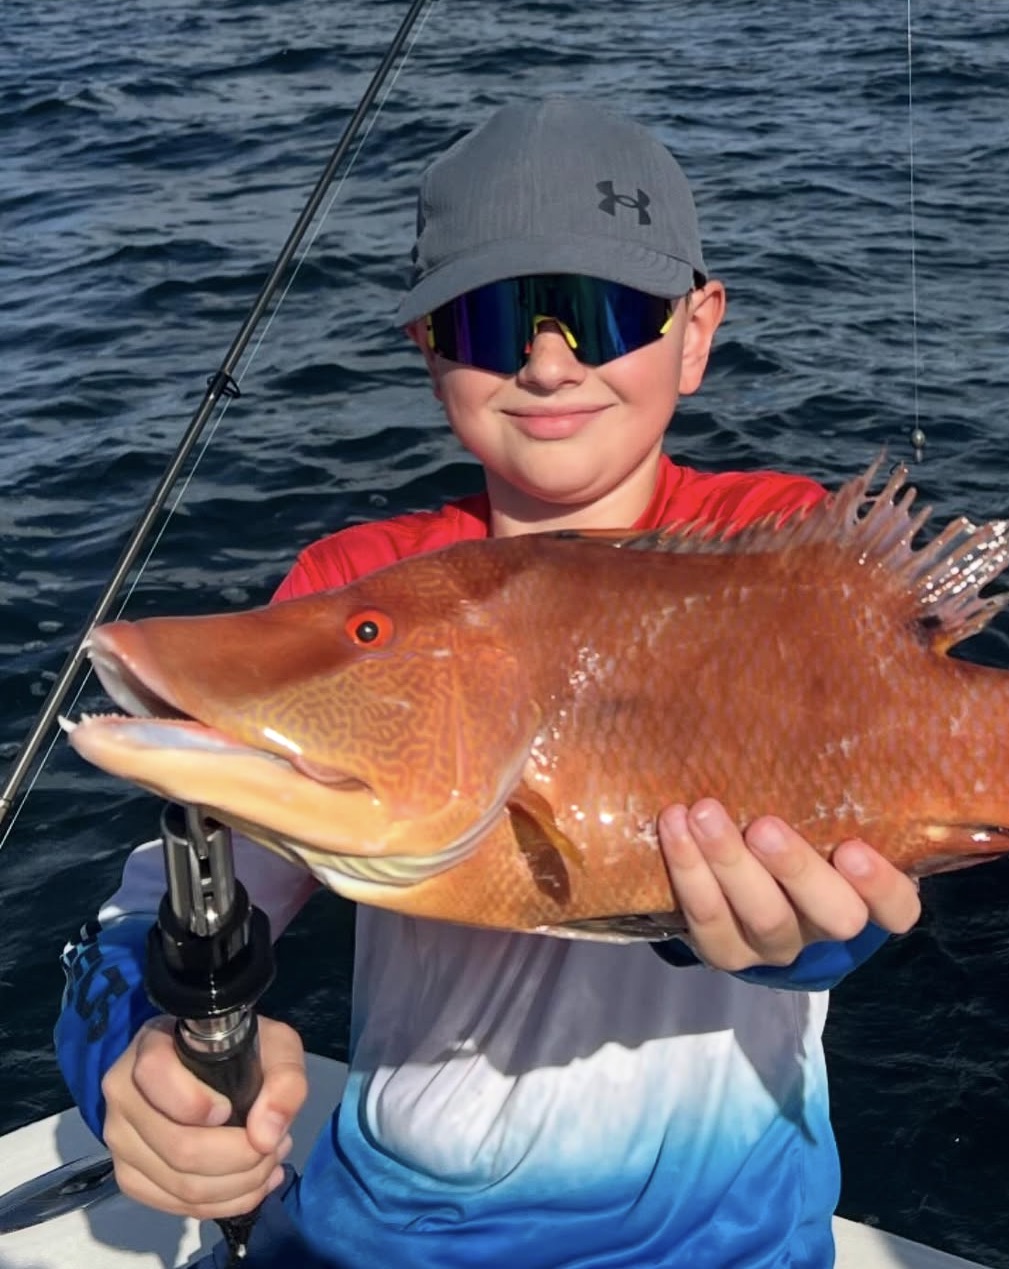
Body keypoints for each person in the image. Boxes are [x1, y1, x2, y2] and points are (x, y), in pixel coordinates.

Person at [55, 98, 922, 1268]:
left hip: (736, 1244)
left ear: (697, 328)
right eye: (493, 316)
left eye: (606, 311)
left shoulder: (784, 552)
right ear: (431, 350)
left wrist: (812, 938)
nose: (551, 359)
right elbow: (149, 917)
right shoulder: (355, 583)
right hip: (397, 1238)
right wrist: (140, 1058)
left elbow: (859, 881)